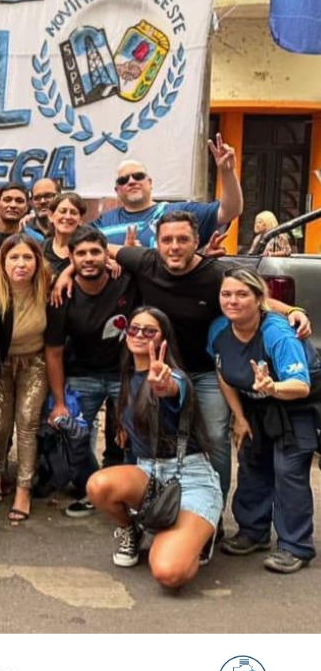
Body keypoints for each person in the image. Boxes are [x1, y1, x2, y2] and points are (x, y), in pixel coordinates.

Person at [99, 210, 312, 504]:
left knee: (213, 438)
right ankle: (147, 505)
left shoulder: (215, 273)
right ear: (157, 243)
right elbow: (97, 246)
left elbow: (253, 294)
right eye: (167, 240)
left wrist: (292, 310)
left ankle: (213, 507)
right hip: (161, 369)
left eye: (183, 239)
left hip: (207, 371)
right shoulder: (145, 260)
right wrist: (78, 270)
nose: (174, 246)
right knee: (147, 434)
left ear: (196, 241)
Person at [87, 307, 222, 588]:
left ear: (163, 340)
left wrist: (163, 386)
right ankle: (132, 530)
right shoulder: (129, 376)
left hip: (191, 479)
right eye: (134, 328)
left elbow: (172, 388)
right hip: (150, 473)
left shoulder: (174, 377)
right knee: (98, 485)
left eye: (149, 331)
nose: (139, 334)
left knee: (168, 573)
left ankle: (198, 534)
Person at [208, 269, 317, 573]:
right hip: (255, 404)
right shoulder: (219, 329)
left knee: (288, 471)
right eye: (226, 294)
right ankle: (253, 532)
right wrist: (239, 417)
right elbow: (222, 372)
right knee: (252, 462)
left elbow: (301, 385)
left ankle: (295, 546)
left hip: (295, 404)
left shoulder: (277, 334)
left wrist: (273, 387)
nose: (232, 301)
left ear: (259, 300)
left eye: (242, 294)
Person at [45, 228, 139, 516]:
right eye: (81, 253)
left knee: (133, 433)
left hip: (124, 374)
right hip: (82, 374)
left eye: (95, 252)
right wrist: (59, 402)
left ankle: (128, 491)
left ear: (106, 254)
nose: (89, 258)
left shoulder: (127, 282)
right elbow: (54, 351)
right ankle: (93, 487)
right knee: (74, 436)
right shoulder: (62, 294)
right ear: (71, 258)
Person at [0, 233, 52, 522]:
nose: (21, 263)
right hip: (1, 363)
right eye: (14, 257)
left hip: (35, 361)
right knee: (1, 424)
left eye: (27, 257)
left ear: (37, 261)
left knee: (27, 421)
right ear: (2, 262)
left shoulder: (49, 287)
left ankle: (23, 489)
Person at [87, 136, 242, 247]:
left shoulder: (179, 212)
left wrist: (227, 172)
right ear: (117, 190)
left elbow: (229, 211)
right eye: (123, 180)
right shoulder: (103, 223)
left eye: (138, 176)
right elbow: (77, 246)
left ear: (150, 183)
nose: (131, 181)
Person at [42, 192, 87, 275]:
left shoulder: (88, 248)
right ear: (51, 216)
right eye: (62, 211)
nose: (67, 216)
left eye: (73, 212)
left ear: (80, 220)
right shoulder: (40, 248)